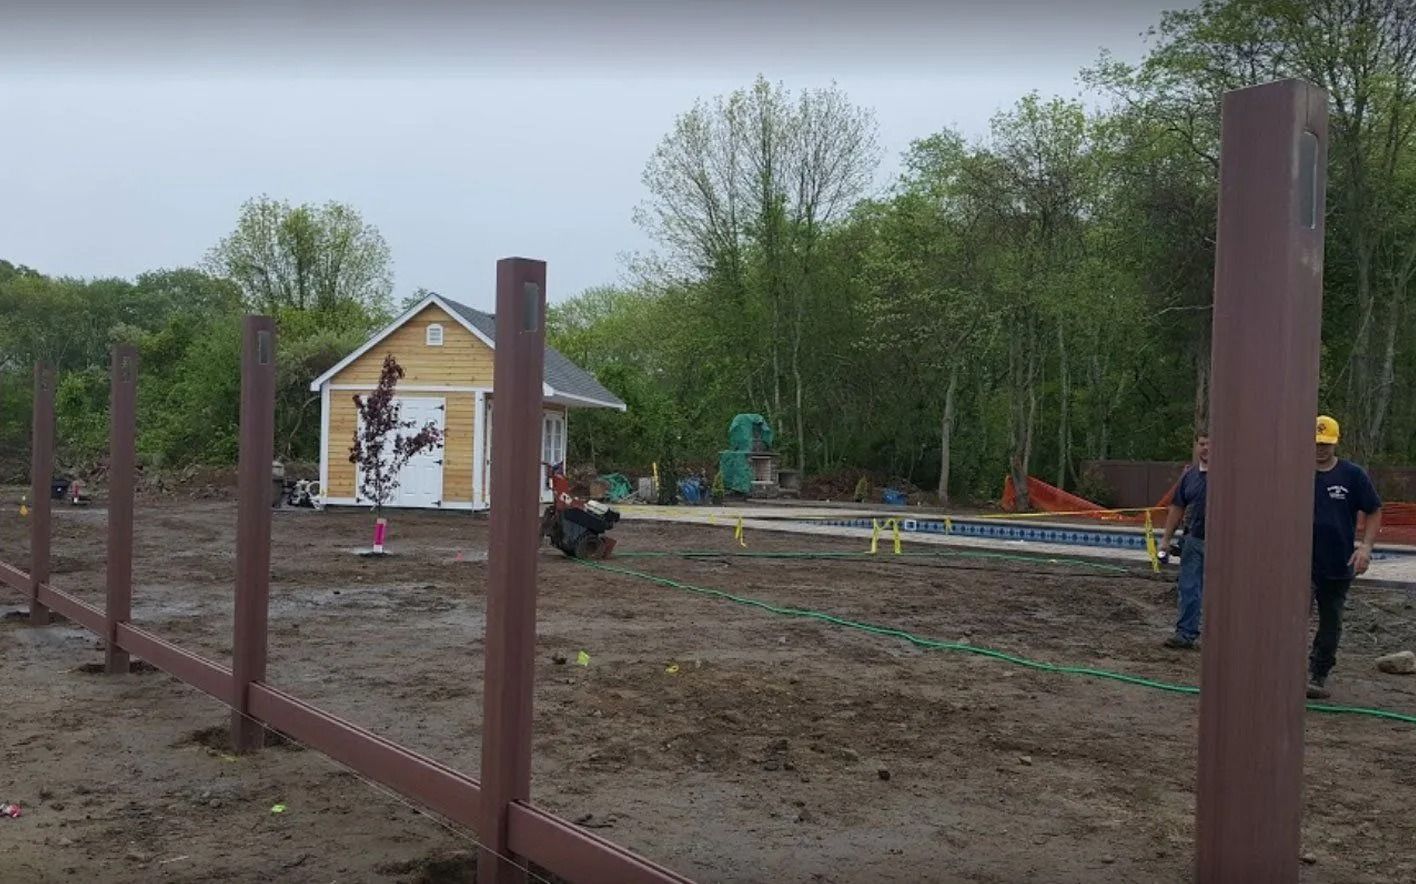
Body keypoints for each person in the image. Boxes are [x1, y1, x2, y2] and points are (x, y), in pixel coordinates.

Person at [1307, 415, 1382, 699]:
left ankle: (1318, 673)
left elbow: (1374, 510)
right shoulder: (1294, 471)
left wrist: (1365, 547)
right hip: (1298, 562)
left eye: (1326, 444)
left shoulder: (1352, 475)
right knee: (1290, 615)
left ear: (1335, 443)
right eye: (1315, 442)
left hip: (1336, 562)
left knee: (1330, 619)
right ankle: (1283, 669)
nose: (1320, 448)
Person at [1158, 431, 1209, 649]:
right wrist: (1166, 540)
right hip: (1194, 540)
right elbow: (1177, 507)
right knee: (1189, 587)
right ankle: (1185, 633)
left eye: (1210, 443)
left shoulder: (1231, 474)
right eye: (1202, 443)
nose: (1206, 448)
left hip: (1224, 545)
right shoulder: (1190, 476)